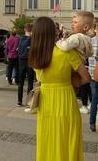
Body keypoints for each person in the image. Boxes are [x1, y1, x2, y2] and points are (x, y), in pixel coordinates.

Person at [29, 16, 90, 161]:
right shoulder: (67, 52)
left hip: (46, 102)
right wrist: (72, 83)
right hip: (65, 100)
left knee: (48, 138)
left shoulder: (34, 54)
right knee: (67, 139)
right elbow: (86, 78)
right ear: (54, 32)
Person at [56, 11, 94, 114]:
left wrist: (58, 42)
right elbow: (90, 53)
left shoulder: (76, 37)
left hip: (72, 66)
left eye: (75, 22)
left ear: (85, 27)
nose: (72, 24)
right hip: (80, 65)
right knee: (74, 87)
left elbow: (65, 47)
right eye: (72, 22)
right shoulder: (88, 39)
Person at [17, 23, 34, 106]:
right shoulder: (33, 39)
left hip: (21, 62)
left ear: (24, 29)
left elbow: (18, 51)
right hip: (30, 62)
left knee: (21, 83)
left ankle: (19, 101)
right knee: (30, 83)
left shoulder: (20, 39)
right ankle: (28, 102)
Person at [88, 19, 98, 132]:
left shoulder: (90, 41)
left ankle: (92, 123)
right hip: (95, 73)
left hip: (92, 74)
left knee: (94, 99)